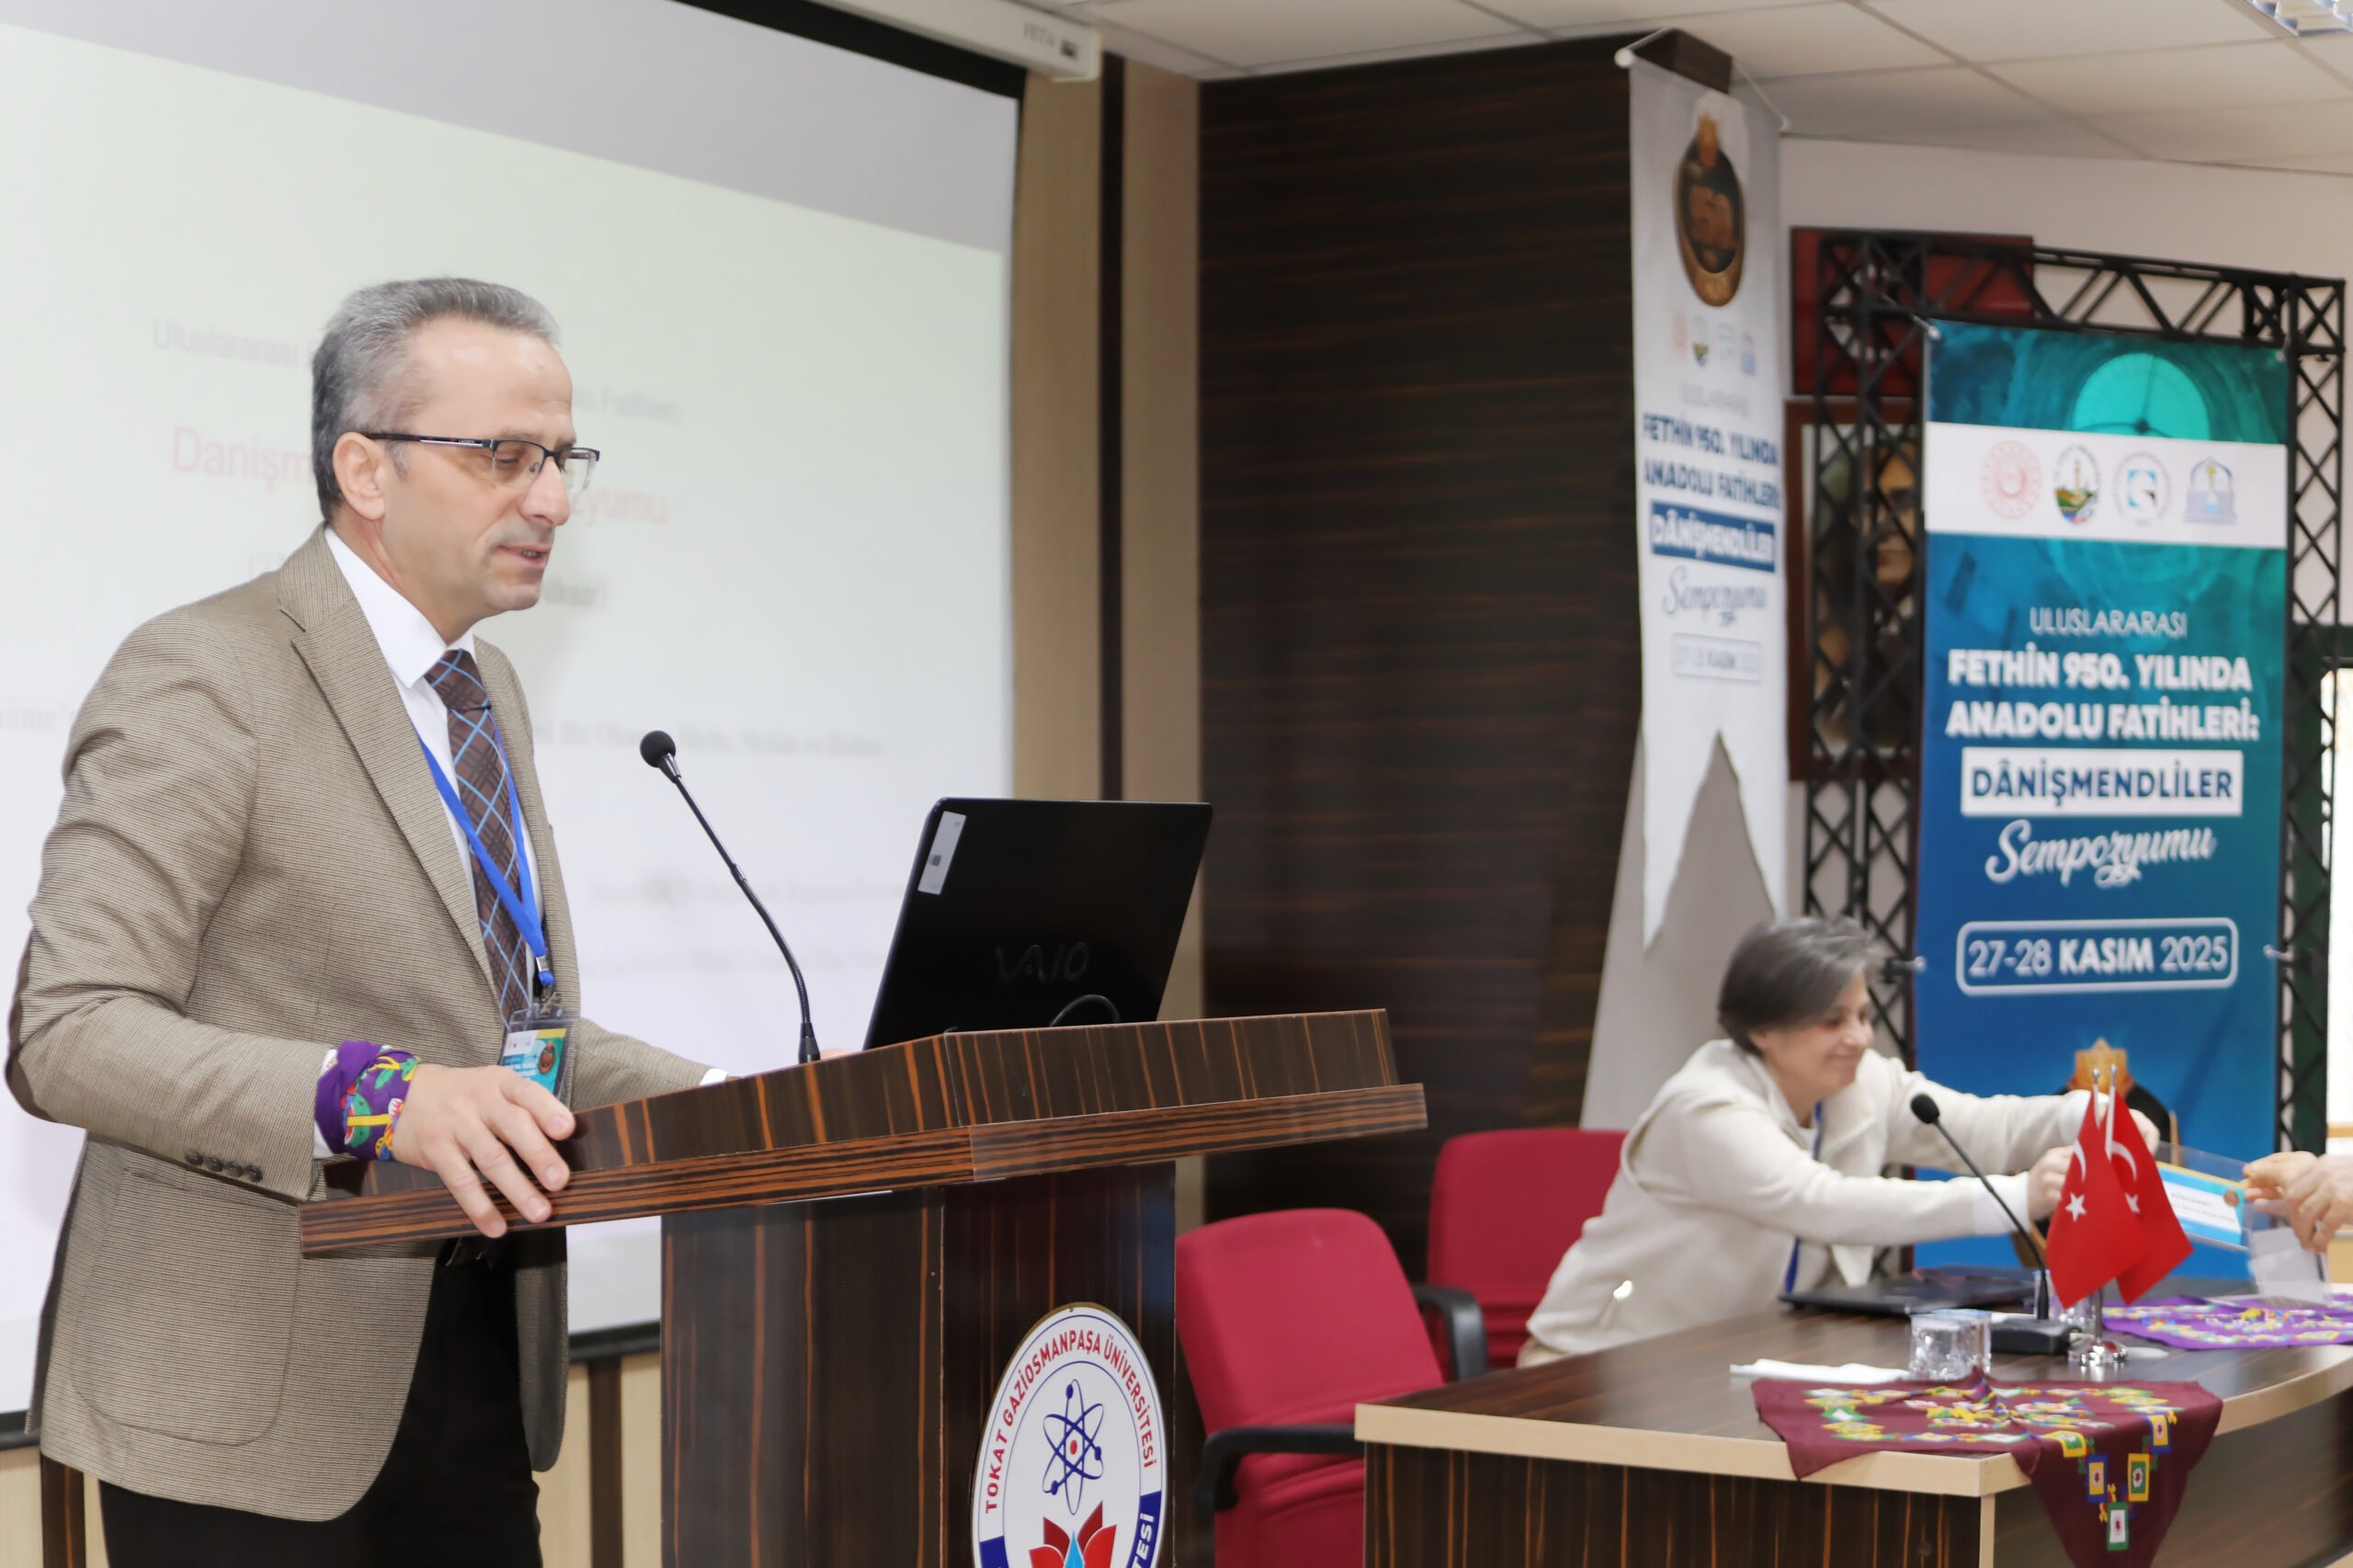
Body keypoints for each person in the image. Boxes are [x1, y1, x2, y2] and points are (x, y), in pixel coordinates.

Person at [6, 278, 718, 1564]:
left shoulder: (482, 687)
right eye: (505, 454)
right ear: (365, 470)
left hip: (471, 1376)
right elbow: (69, 1031)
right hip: (245, 1408)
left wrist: (759, 1099)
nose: (552, 501)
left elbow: (508, 1041)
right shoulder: (207, 671)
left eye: (562, 459)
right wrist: (385, 1097)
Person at [1518, 917, 2144, 1364]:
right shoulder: (1705, 1108)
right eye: (1832, 1021)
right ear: (1763, 1030)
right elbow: (1824, 1203)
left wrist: (2086, 1116)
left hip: (1746, 1354)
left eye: (1864, 1016)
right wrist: (2014, 1197)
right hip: (1605, 1362)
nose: (1860, 1038)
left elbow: (1982, 1128)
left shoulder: (1861, 1081)